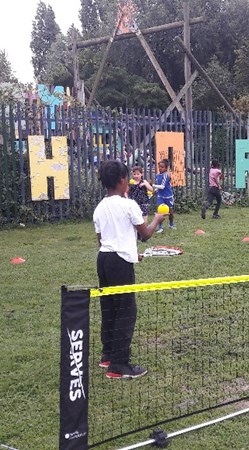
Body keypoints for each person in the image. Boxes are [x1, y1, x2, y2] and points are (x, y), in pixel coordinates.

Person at [94, 159, 168, 379]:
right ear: (122, 180)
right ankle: (118, 365)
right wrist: (157, 219)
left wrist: (129, 252)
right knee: (126, 311)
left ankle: (107, 355)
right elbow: (145, 234)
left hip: (104, 259)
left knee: (109, 307)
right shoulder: (128, 205)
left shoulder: (100, 207)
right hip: (119, 263)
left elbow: (103, 240)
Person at [152, 158, 175, 232]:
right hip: (160, 196)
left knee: (170, 211)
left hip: (168, 196)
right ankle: (160, 227)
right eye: (159, 167)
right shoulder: (158, 175)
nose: (160, 168)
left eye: (162, 167)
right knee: (160, 211)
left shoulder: (166, 176)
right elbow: (159, 186)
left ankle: (171, 224)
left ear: (166, 168)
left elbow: (162, 186)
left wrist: (153, 185)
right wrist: (155, 190)